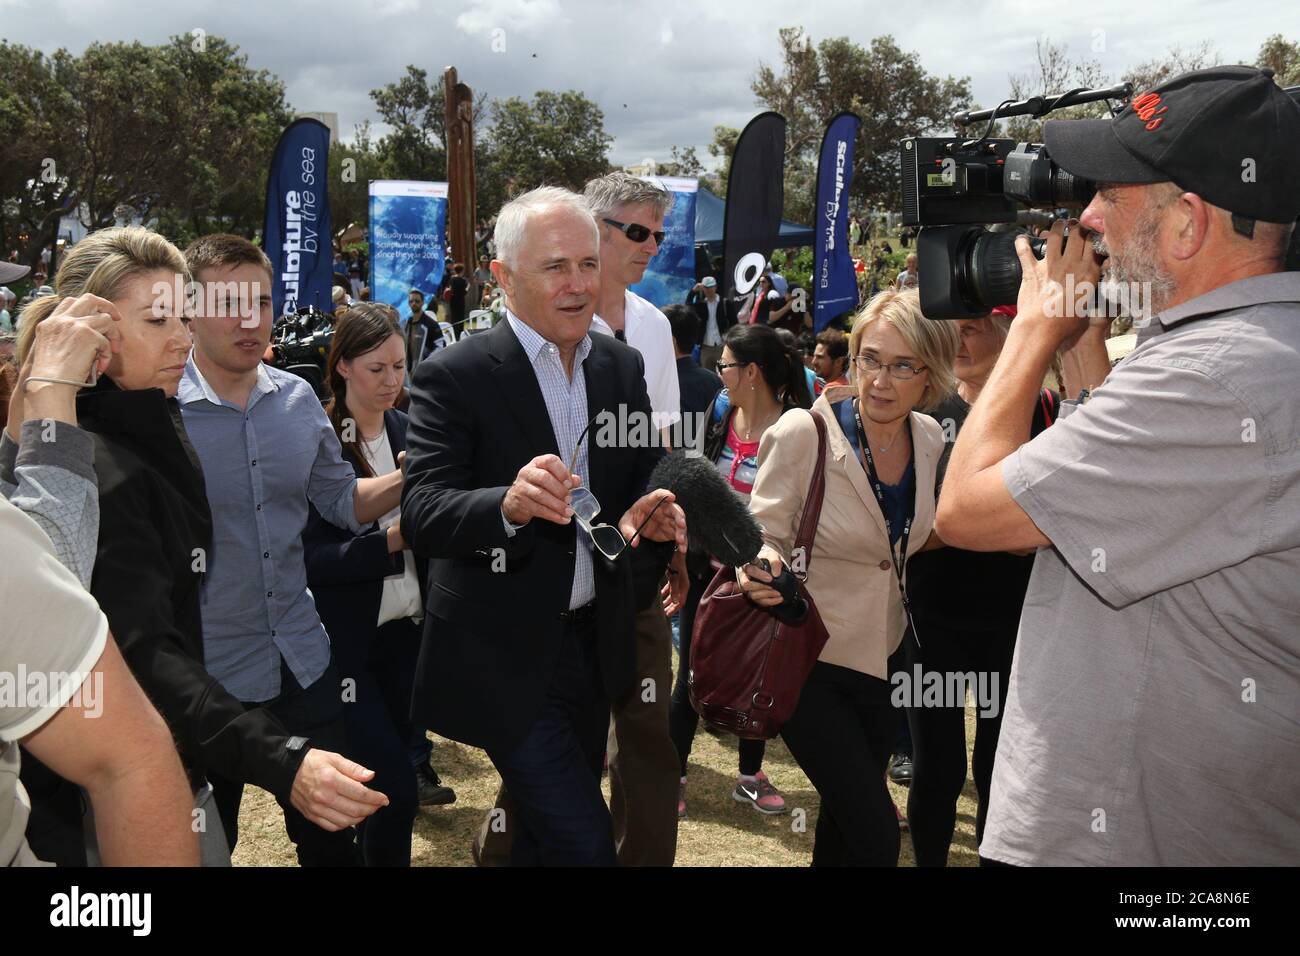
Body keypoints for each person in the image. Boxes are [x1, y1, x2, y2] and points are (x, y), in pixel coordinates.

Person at [936, 65, 1300, 866]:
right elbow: (1130, 500)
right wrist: (1084, 347)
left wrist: (1033, 332)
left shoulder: (1208, 377)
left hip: (1131, 842)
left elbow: (965, 510)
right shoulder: (1245, 356)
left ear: (1187, 224)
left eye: (1113, 190)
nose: (1089, 215)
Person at [12, 227, 386, 866]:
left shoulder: (164, 422)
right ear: (91, 331)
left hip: (268, 680)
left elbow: (339, 501)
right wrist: (282, 759)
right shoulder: (93, 459)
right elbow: (137, 648)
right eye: (160, 319)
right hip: (128, 758)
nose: (182, 337)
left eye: (184, 315)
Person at [403, 187, 685, 866]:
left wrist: (663, 507)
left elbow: (644, 472)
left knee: (536, 836)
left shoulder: (620, 364)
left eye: (588, 264)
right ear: (502, 278)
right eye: (555, 267)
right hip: (505, 655)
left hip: (597, 643)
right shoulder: (455, 374)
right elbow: (422, 512)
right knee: (585, 844)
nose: (579, 284)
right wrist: (506, 504)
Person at [179, 233, 401, 865]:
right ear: (189, 308)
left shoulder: (298, 400)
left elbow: (340, 501)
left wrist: (415, 477)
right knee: (201, 844)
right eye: (230, 301)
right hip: (203, 675)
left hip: (301, 660)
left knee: (333, 841)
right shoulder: (160, 411)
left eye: (263, 300)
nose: (250, 318)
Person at [738, 289, 958, 865]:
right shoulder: (803, 432)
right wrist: (764, 566)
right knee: (877, 830)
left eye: (902, 365)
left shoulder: (932, 439)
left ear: (929, 372)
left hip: (886, 663)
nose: (881, 380)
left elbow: (911, 540)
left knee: (841, 827)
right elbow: (762, 532)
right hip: (808, 660)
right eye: (870, 360)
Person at [902, 304, 1060, 865]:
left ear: (1008, 331)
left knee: (1000, 765)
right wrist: (967, 525)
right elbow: (907, 527)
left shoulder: (1046, 411)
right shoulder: (923, 412)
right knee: (936, 768)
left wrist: (966, 523)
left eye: (971, 329)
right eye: (953, 330)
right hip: (930, 619)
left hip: (1013, 622)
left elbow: (1050, 520)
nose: (959, 341)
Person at [304, 303, 448, 866]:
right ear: (341, 367)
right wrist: (388, 543)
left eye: (400, 366)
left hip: (409, 639)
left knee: (376, 793)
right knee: (394, 786)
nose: (393, 382)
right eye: (376, 369)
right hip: (345, 646)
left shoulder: (412, 429)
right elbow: (311, 561)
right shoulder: (317, 438)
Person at [669, 322, 811, 818]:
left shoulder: (796, 429)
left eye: (725, 365)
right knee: (690, 673)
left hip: (763, 579)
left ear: (751, 372)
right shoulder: (718, 416)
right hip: (707, 573)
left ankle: (749, 777)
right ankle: (674, 775)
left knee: (760, 676)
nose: (719, 373)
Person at [584, 171, 683, 866]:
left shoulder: (654, 324)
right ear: (598, 230)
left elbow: (668, 445)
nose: (652, 246)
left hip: (640, 561)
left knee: (648, 731)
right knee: (566, 735)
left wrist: (678, 539)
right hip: (564, 559)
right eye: (639, 232)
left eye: (658, 234)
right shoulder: (547, 317)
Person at [685, 275, 737, 372]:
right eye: (706, 287)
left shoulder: (725, 303)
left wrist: (730, 343)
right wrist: (693, 292)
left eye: (711, 287)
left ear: (715, 287)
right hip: (706, 348)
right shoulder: (700, 305)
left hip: (722, 347)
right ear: (702, 288)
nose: (708, 290)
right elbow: (687, 307)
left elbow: (735, 324)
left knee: (725, 374)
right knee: (708, 376)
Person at [812, 327, 850, 394]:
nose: (814, 362)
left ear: (838, 361)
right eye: (814, 356)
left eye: (820, 357)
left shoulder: (832, 391)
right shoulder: (846, 386)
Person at [448, 262, 470, 330]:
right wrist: (468, 287)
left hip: (453, 300)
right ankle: (460, 331)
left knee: (454, 316)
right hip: (460, 301)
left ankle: (453, 330)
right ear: (462, 271)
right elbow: (464, 292)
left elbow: (450, 289)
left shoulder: (452, 279)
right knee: (460, 317)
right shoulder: (463, 280)